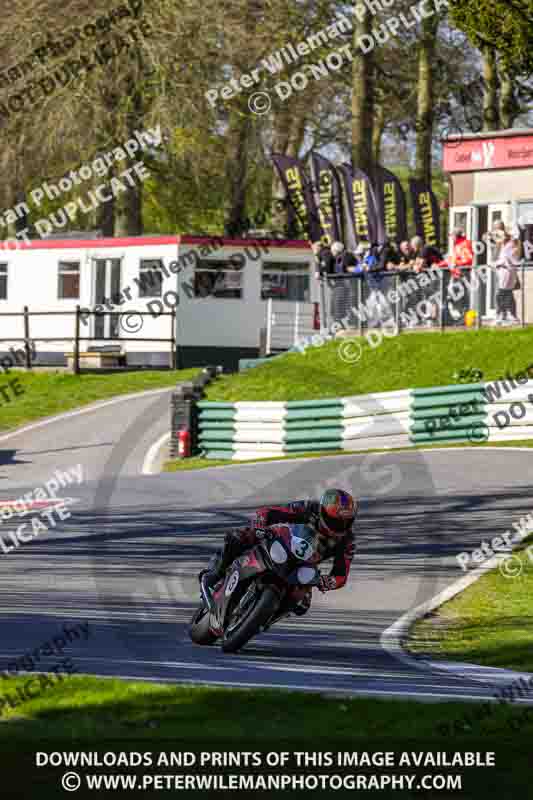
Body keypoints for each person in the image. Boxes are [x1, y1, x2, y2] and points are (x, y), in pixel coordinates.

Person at [201, 489, 358, 616]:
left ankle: (263, 620)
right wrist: (260, 524)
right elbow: (270, 512)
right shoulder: (308, 508)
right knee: (240, 537)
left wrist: (328, 581)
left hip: (305, 566)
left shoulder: (347, 541)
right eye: (336, 520)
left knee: (301, 606)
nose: (341, 525)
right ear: (323, 511)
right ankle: (216, 573)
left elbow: (341, 574)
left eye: (346, 521)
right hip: (283, 542)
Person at [496, 233, 521, 325]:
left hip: (507, 272)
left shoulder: (510, 246)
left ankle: (504, 315)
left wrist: (496, 264)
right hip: (508, 271)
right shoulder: (509, 245)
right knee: (506, 293)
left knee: (502, 294)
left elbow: (507, 259)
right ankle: (505, 315)